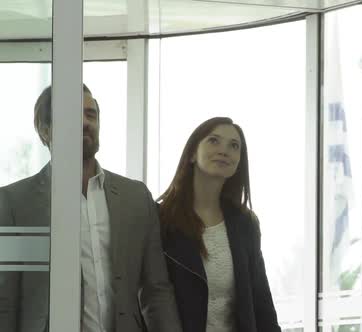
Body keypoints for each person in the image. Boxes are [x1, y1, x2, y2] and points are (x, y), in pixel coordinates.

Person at [0, 85, 182, 332]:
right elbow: (6, 298)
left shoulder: (136, 198)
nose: (85, 122)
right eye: (73, 115)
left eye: (91, 114)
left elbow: (156, 290)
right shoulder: (14, 202)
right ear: (45, 131)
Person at [158, 117, 280, 332]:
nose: (224, 150)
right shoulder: (160, 219)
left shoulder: (246, 224)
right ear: (192, 154)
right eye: (214, 141)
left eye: (234, 146)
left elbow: (261, 302)